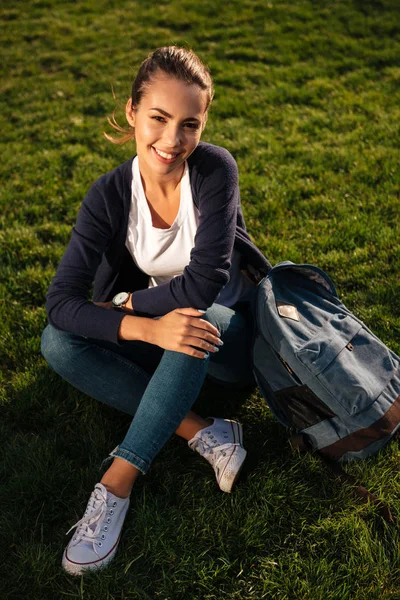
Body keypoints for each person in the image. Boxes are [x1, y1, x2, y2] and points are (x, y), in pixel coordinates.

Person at [41, 46, 271, 576]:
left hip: (231, 339)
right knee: (57, 342)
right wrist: (145, 326)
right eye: (159, 119)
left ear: (204, 122)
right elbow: (61, 303)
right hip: (164, 335)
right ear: (132, 113)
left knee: (196, 319)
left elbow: (206, 281)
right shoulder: (108, 195)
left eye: (189, 124)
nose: (172, 141)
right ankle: (201, 430)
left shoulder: (214, 171)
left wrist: (126, 305)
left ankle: (115, 485)